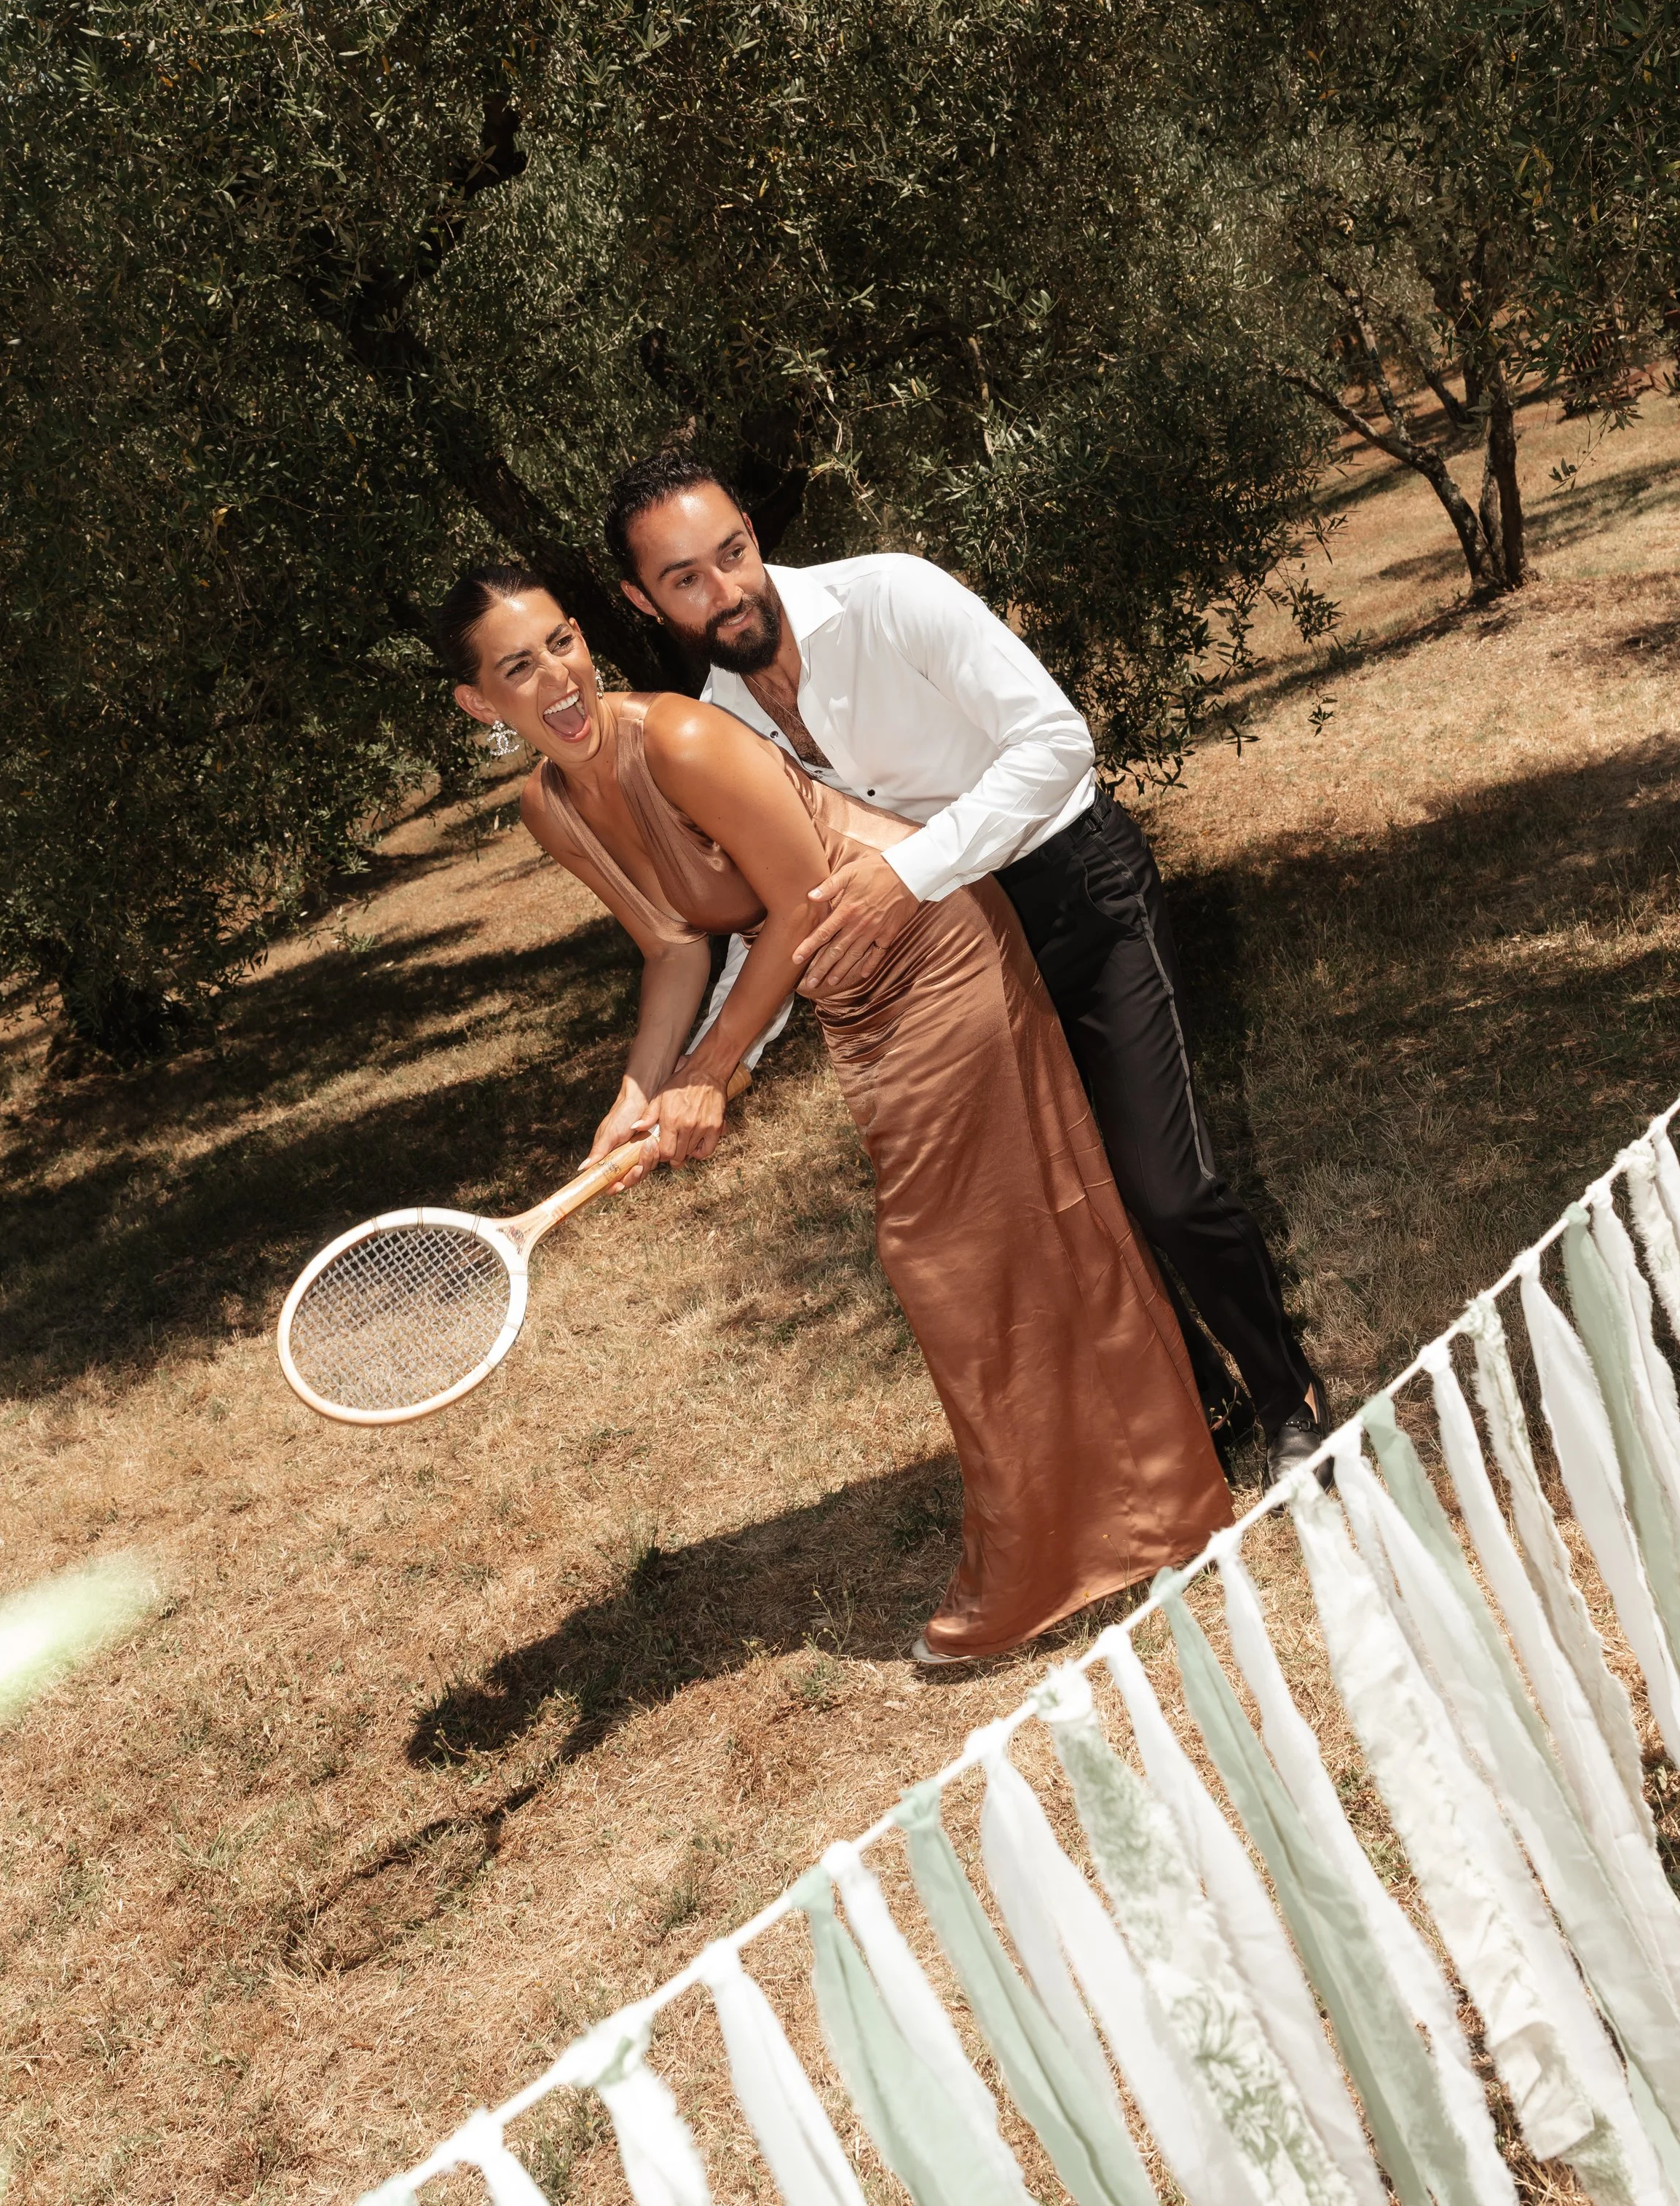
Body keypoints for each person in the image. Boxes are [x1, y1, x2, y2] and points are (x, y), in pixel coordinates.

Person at [436, 562, 1231, 1666]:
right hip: (850, 985)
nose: (557, 677)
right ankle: (1158, 1506)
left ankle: (1043, 1558)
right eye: (518, 669)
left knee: (939, 1255)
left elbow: (799, 908)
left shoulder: (679, 739)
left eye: (563, 641)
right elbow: (675, 946)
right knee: (997, 1242)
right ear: (481, 704)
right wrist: (636, 1094)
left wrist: (716, 1070)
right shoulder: (551, 805)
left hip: (930, 946)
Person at [604, 451, 1330, 1487]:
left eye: (733, 551)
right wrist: (706, 1069)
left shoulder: (890, 594)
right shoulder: (719, 724)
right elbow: (784, 908)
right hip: (958, 961)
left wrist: (910, 868)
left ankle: (1285, 1392)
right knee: (1076, 1205)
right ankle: (1194, 1402)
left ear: (754, 533)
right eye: (685, 579)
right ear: (640, 598)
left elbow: (1055, 744)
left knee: (1165, 1188)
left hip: (1078, 891)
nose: (727, 590)